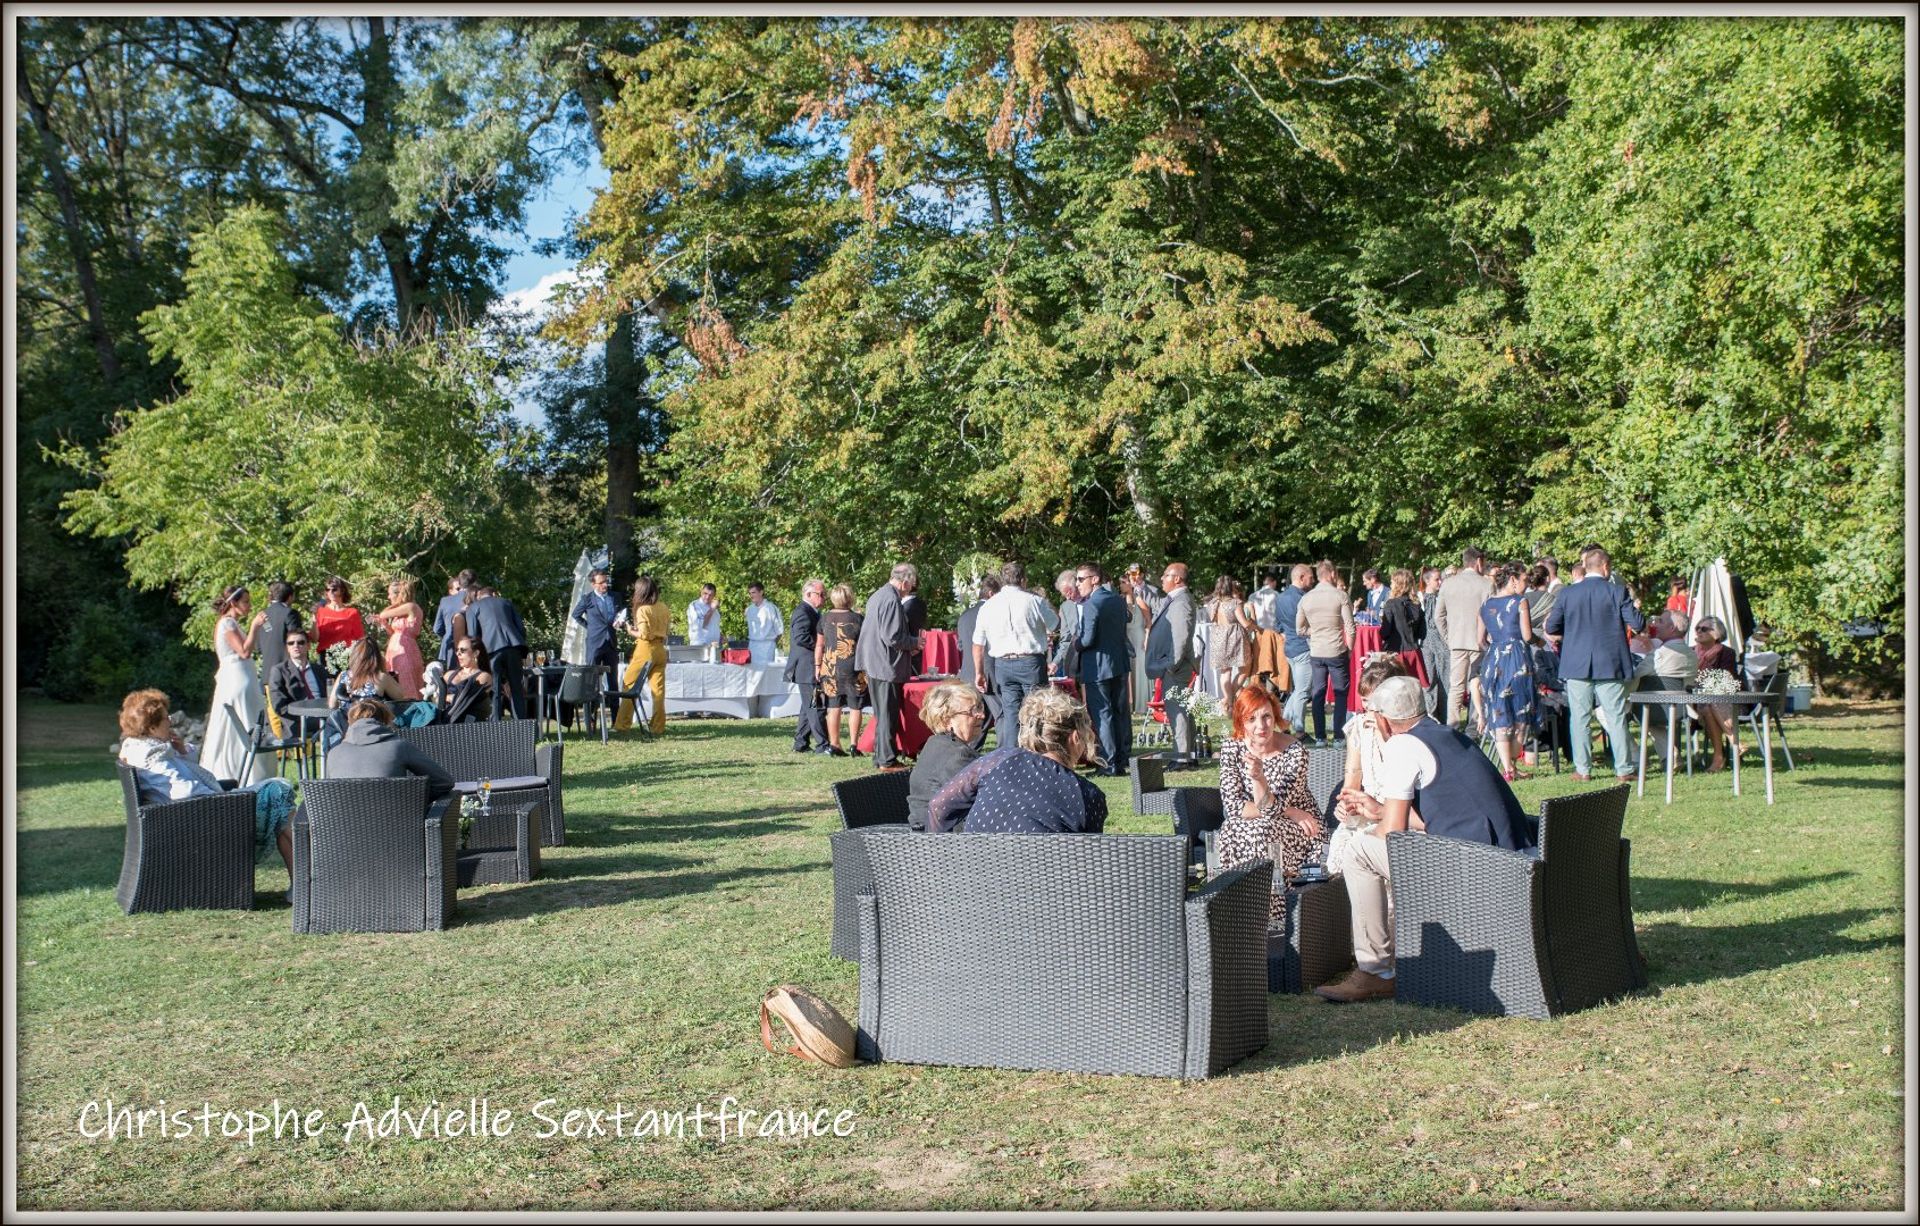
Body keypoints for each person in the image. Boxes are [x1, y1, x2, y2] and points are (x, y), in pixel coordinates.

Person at [1315, 675, 1536, 1003]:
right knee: (1369, 843)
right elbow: (1448, 813)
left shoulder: (1402, 746)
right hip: (1508, 861)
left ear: (1383, 719)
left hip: (1475, 871)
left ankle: (1374, 970)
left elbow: (1391, 835)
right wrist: (1379, 810)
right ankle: (1376, 968)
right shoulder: (1447, 735)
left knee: (1360, 850)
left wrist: (1379, 821)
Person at [118, 688, 295, 873]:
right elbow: (184, 793)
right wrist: (227, 798)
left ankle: (299, 882)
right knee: (277, 793)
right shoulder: (154, 759)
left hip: (199, 815)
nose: (170, 721)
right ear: (152, 728)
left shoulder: (149, 750)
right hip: (204, 823)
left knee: (281, 806)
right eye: (165, 718)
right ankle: (303, 879)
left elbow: (181, 777)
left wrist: (182, 751)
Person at [1214, 685, 1325, 928]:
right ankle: (1242, 918)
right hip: (1283, 819)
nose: (1261, 726)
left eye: (1266, 716)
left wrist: (1259, 779)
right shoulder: (1231, 749)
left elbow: (1273, 810)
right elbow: (1233, 807)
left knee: (1261, 831)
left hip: (1303, 833)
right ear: (1241, 722)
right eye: (1251, 719)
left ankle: (1266, 923)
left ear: (1275, 715)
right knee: (1232, 829)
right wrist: (1291, 810)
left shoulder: (1295, 751)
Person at [926, 686, 1106, 834]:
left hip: (976, 873)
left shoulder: (996, 759)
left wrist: (942, 861)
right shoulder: (1087, 795)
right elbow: (1087, 862)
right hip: (1044, 876)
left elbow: (938, 806)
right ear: (1075, 738)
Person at [1543, 545, 1645, 782]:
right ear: (1605, 566)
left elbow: (1551, 627)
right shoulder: (1617, 592)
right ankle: (1624, 769)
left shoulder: (1567, 593)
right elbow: (1638, 625)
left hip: (1576, 661)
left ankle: (1583, 769)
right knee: (1616, 715)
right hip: (1610, 662)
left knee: (1579, 718)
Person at [1328, 655, 1412, 879]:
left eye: (1373, 702)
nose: (1368, 709)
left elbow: (1401, 774)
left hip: (1401, 812)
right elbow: (1352, 778)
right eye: (1364, 701)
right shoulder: (1359, 727)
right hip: (1366, 811)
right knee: (1342, 844)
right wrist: (1347, 804)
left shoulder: (1407, 729)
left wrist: (1384, 734)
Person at [969, 561, 1059, 749]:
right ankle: (1037, 755)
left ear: (1003, 581)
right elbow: (1055, 624)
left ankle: (1010, 756)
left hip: (1003, 664)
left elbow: (978, 644)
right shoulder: (1034, 601)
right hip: (1030, 661)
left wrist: (979, 673)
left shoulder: (989, 605)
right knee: (1037, 712)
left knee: (1011, 714)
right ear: (1023, 580)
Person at [198, 586, 273, 787]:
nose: (249, 606)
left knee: (251, 721)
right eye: (246, 602)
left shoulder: (233, 623)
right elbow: (244, 652)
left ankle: (254, 773)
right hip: (235, 681)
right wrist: (256, 626)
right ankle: (243, 774)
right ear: (233, 603)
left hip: (242, 678)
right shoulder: (227, 623)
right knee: (244, 724)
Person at [1477, 562, 1538, 781]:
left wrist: (1496, 649)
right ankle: (1513, 759)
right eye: (1524, 579)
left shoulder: (1486, 605)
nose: (1526, 583)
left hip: (1494, 659)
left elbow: (1480, 640)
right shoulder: (1520, 602)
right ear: (1513, 580)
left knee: (1500, 710)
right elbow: (1528, 635)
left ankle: (1508, 768)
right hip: (1517, 657)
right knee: (1521, 709)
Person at [855, 563, 919, 770]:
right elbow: (892, 636)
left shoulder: (878, 595)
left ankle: (883, 755)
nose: (911, 589)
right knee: (887, 714)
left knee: (883, 713)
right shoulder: (891, 599)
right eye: (912, 584)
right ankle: (886, 759)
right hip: (885, 665)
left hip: (876, 662)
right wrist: (914, 643)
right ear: (905, 581)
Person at [324, 699, 456, 800]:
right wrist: (412, 800)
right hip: (398, 829)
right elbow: (444, 781)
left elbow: (329, 796)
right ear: (386, 721)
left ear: (350, 723)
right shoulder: (398, 746)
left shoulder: (334, 753)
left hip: (343, 832)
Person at [1074, 562, 1131, 776]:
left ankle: (1108, 762)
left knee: (1102, 714)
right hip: (1118, 663)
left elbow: (1087, 639)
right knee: (1118, 712)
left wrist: (1075, 644)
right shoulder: (1117, 600)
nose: (1078, 584)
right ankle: (1121, 757)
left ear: (1095, 579)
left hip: (1098, 666)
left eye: (1081, 579)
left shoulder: (1091, 604)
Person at [905, 680, 987, 830]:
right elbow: (986, 799)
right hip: (943, 843)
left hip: (925, 833)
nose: (981, 715)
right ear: (947, 720)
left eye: (980, 707)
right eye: (972, 711)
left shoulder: (934, 743)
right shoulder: (958, 755)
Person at [1144, 562, 1199, 768]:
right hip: (1174, 665)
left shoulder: (1182, 601)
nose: (1162, 579)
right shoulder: (1175, 599)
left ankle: (1182, 758)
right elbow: (1157, 606)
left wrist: (1171, 664)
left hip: (1176, 666)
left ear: (1177, 579)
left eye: (1165, 575)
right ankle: (1188, 755)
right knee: (1181, 710)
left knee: (1178, 712)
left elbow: (1181, 636)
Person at [1296, 559, 1355, 747]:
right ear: (1331, 574)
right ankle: (1338, 737)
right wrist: (1350, 650)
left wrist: (1316, 631)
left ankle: (1320, 737)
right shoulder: (1341, 596)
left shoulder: (1306, 598)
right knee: (1340, 695)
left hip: (1317, 652)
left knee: (1318, 694)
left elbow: (1300, 629)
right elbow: (1350, 627)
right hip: (1337, 650)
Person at [1434, 547, 1493, 732]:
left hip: (1457, 641)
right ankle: (1475, 726)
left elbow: (1438, 616)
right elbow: (1491, 615)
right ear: (1478, 562)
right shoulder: (1486, 584)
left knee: (1456, 687)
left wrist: (1448, 637)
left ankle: (1452, 726)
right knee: (1477, 684)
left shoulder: (1448, 583)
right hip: (1480, 642)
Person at [462, 584, 531, 720]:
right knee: (516, 689)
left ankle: (496, 729)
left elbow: (473, 636)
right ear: (494, 594)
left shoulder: (473, 608)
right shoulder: (506, 602)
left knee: (495, 691)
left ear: (479, 596)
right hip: (513, 647)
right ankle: (522, 727)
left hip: (490, 651)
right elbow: (521, 629)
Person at [816, 584, 868, 756]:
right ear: (850, 598)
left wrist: (817, 666)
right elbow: (864, 644)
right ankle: (854, 744)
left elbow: (820, 645)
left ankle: (835, 743)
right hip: (854, 666)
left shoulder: (824, 618)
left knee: (834, 705)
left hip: (831, 667)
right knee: (855, 706)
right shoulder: (858, 618)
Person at [615, 574, 670, 736]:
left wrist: (630, 630)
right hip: (661, 650)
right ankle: (658, 727)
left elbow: (644, 634)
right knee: (658, 691)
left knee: (629, 685)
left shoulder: (642, 609)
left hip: (645, 650)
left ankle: (622, 725)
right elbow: (666, 631)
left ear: (641, 591)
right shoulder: (663, 607)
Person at [953, 574, 1002, 751]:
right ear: (990, 594)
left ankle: (969, 751)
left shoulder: (965, 615)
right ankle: (1003, 751)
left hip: (968, 672)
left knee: (975, 716)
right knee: (1000, 714)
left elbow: (960, 645)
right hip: (990, 671)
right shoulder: (994, 613)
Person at [1691, 615, 1743, 772]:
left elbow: (1729, 680)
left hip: (1723, 701)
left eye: (1704, 629)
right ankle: (1735, 741)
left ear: (1717, 634)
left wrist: (1710, 684)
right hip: (1691, 701)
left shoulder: (1726, 653)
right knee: (1708, 703)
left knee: (1708, 704)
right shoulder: (1690, 652)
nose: (1699, 631)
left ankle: (1718, 758)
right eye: (1697, 628)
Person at [785, 579, 829, 753]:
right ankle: (823, 745)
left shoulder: (812, 611)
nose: (824, 597)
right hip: (807, 666)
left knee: (807, 706)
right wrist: (821, 649)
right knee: (815, 705)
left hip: (810, 666)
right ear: (808, 594)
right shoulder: (802, 612)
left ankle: (801, 743)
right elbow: (800, 637)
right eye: (821, 594)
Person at [258, 580, 304, 737]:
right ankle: (302, 748)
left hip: (267, 672)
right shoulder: (290, 614)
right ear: (290, 597)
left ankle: (280, 749)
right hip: (287, 670)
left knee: (274, 712)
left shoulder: (263, 616)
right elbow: (295, 638)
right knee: (297, 710)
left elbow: (258, 647)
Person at [1274, 564, 1314, 734]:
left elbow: (1278, 626)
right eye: (1311, 577)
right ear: (1301, 577)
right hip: (1303, 647)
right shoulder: (1304, 599)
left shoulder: (1280, 598)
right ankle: (1299, 731)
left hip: (1290, 648)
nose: (1313, 580)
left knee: (1298, 689)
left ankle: (1284, 723)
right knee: (1303, 691)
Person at [1204, 574, 1253, 712]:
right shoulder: (1234, 603)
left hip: (1218, 637)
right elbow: (1244, 623)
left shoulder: (1213, 603)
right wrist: (1254, 626)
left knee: (1225, 671)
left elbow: (1213, 620)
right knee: (1245, 668)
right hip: (1234, 637)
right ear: (1230, 586)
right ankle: (1229, 699)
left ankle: (1227, 701)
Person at [373, 578, 426, 700]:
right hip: (394, 648)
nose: (388, 596)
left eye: (390, 593)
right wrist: (384, 624)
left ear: (399, 594)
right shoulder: (400, 612)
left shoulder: (411, 607)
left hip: (405, 651)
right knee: (395, 679)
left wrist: (394, 605)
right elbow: (393, 632)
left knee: (405, 680)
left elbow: (383, 614)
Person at [1121, 563, 1159, 717]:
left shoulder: (1141, 598)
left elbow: (1149, 620)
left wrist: (1147, 638)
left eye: (1124, 582)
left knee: (1140, 669)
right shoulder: (1120, 600)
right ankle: (1130, 704)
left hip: (1139, 636)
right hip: (1126, 637)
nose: (1122, 585)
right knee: (1129, 669)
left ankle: (1143, 704)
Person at [572, 568, 622, 681]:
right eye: (601, 583)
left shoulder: (615, 597)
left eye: (606, 581)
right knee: (591, 679)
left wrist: (621, 621)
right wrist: (589, 626)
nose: (605, 585)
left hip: (611, 643)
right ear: (593, 584)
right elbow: (576, 615)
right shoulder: (587, 599)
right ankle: (592, 699)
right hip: (595, 643)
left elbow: (620, 614)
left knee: (613, 679)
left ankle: (613, 699)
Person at [267, 627, 329, 718]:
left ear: (308, 646)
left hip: (324, 716)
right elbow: (279, 706)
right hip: (298, 721)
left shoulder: (319, 669)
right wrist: (303, 718)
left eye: (301, 642)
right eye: (291, 643)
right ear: (287, 647)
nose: (295, 646)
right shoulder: (279, 671)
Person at [1378, 568, 1426, 665]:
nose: (1390, 585)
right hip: (1414, 653)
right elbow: (1422, 633)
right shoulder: (1417, 605)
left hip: (1395, 654)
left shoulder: (1391, 604)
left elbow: (1384, 632)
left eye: (1392, 583)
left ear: (1398, 585)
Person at [442, 635, 495, 723]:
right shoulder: (449, 675)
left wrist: (445, 697)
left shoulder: (484, 676)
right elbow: (436, 698)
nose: (458, 653)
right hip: (445, 721)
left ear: (475, 653)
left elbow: (466, 700)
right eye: (457, 650)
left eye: (462, 650)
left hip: (469, 725)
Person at [1418, 566, 1448, 719]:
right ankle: (1430, 715)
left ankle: (1444, 717)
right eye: (1437, 579)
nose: (1440, 582)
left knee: (1444, 681)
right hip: (1427, 645)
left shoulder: (1441, 599)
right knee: (1429, 681)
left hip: (1442, 645)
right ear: (1428, 581)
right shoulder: (1422, 599)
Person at [432, 570, 474, 672]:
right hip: (471, 647)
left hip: (449, 647)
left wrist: (448, 634)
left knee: (451, 679)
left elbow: (437, 628)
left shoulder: (445, 601)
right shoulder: (475, 598)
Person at [312, 576, 366, 655]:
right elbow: (314, 639)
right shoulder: (320, 611)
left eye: (334, 589)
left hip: (346, 655)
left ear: (342, 591)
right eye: (328, 589)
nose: (330, 592)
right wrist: (314, 618)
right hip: (325, 655)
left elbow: (360, 638)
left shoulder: (352, 612)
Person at [1050, 569, 1082, 681]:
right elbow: (1066, 639)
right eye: (1065, 595)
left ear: (1077, 585)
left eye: (1069, 592)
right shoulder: (1065, 607)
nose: (1068, 597)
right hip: (1077, 659)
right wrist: (1055, 662)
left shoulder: (1092, 600)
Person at [745, 581, 784, 666]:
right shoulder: (749, 610)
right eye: (750, 593)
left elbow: (779, 631)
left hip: (767, 647)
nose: (751, 595)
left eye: (754, 592)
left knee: (766, 676)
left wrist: (770, 643)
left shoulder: (771, 608)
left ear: (761, 592)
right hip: (752, 646)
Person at [686, 583, 722, 663]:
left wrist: (721, 637)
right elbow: (703, 624)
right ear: (701, 592)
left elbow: (714, 626)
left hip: (713, 649)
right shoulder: (694, 606)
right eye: (705, 593)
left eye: (710, 595)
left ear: (714, 596)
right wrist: (712, 609)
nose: (707, 597)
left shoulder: (714, 608)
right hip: (700, 648)